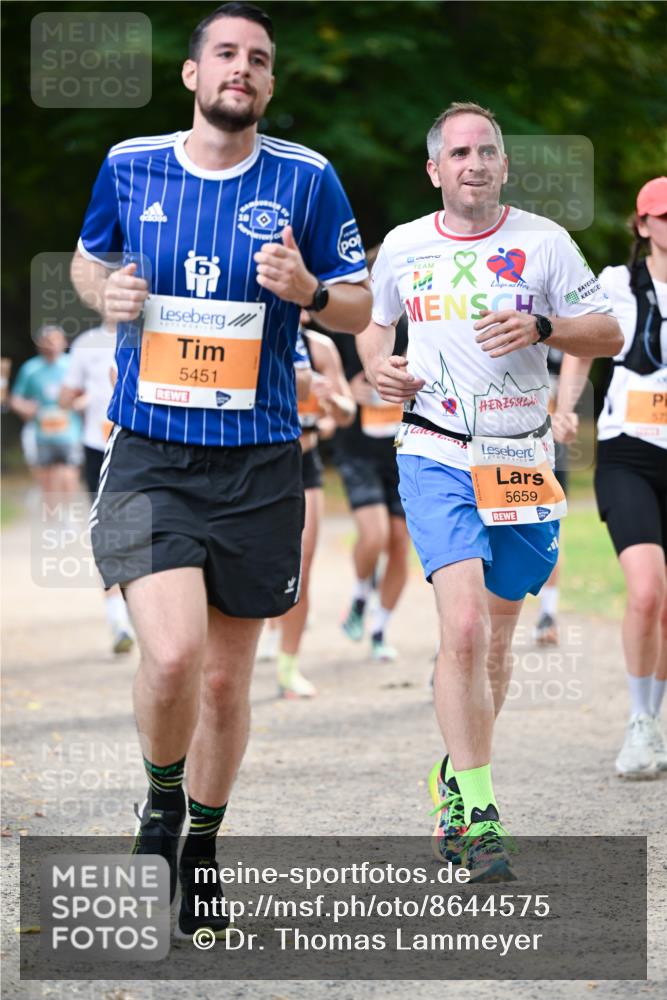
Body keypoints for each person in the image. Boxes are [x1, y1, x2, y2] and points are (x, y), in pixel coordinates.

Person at [70, 1, 370, 939]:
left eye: (260, 59)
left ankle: (202, 843)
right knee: (170, 658)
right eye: (226, 54)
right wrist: (107, 290)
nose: (243, 68)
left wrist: (313, 294)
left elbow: (359, 307)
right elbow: (88, 264)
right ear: (194, 75)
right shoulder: (131, 164)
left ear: (269, 84)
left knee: (226, 686)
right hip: (151, 451)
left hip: (260, 462)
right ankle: (161, 805)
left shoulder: (307, 179)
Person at [357, 101, 622, 880]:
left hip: (519, 459)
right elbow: (374, 326)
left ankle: (453, 775)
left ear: (504, 165)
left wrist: (543, 329)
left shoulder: (543, 243)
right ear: (435, 170)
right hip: (435, 450)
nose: (474, 163)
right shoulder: (404, 246)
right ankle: (478, 814)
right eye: (459, 152)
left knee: (497, 640)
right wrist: (379, 367)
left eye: (488, 151)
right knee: (464, 627)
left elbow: (605, 333)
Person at [556, 176, 667, 779]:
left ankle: (656, 720)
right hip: (629, 451)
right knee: (646, 590)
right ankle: (637, 723)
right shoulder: (617, 284)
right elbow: (581, 346)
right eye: (663, 216)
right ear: (643, 224)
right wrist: (566, 404)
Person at [275, 318, 356, 697]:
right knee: (250, 563)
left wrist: (331, 401)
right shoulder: (257, 330)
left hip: (305, 464)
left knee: (301, 566)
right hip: (259, 464)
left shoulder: (320, 347)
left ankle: (288, 666)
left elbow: (346, 413)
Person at [332, 301, 410, 661]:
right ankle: (361, 594)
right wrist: (348, 389)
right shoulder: (346, 325)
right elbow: (328, 378)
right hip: (358, 450)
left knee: (398, 541)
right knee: (374, 534)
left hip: (403, 450)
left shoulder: (418, 324)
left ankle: (381, 628)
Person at [59, 323, 135, 654]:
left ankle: (147, 612)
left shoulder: (152, 328)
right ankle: (118, 619)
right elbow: (66, 397)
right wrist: (76, 395)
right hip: (99, 448)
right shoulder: (86, 343)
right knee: (108, 535)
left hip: (143, 446)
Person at [10, 325, 82, 505]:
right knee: (46, 477)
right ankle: (51, 516)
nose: (51, 345)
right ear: (39, 345)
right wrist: (26, 408)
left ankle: (68, 514)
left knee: (69, 472)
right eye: (46, 341)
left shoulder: (72, 365)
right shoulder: (30, 369)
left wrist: (78, 404)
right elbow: (16, 399)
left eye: (55, 340)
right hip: (41, 432)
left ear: (64, 343)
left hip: (70, 430)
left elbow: (87, 393)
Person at [533, 347, 570, 646]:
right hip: (496, 442)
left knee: (550, 529)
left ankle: (548, 613)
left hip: (549, 447)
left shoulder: (562, 332)